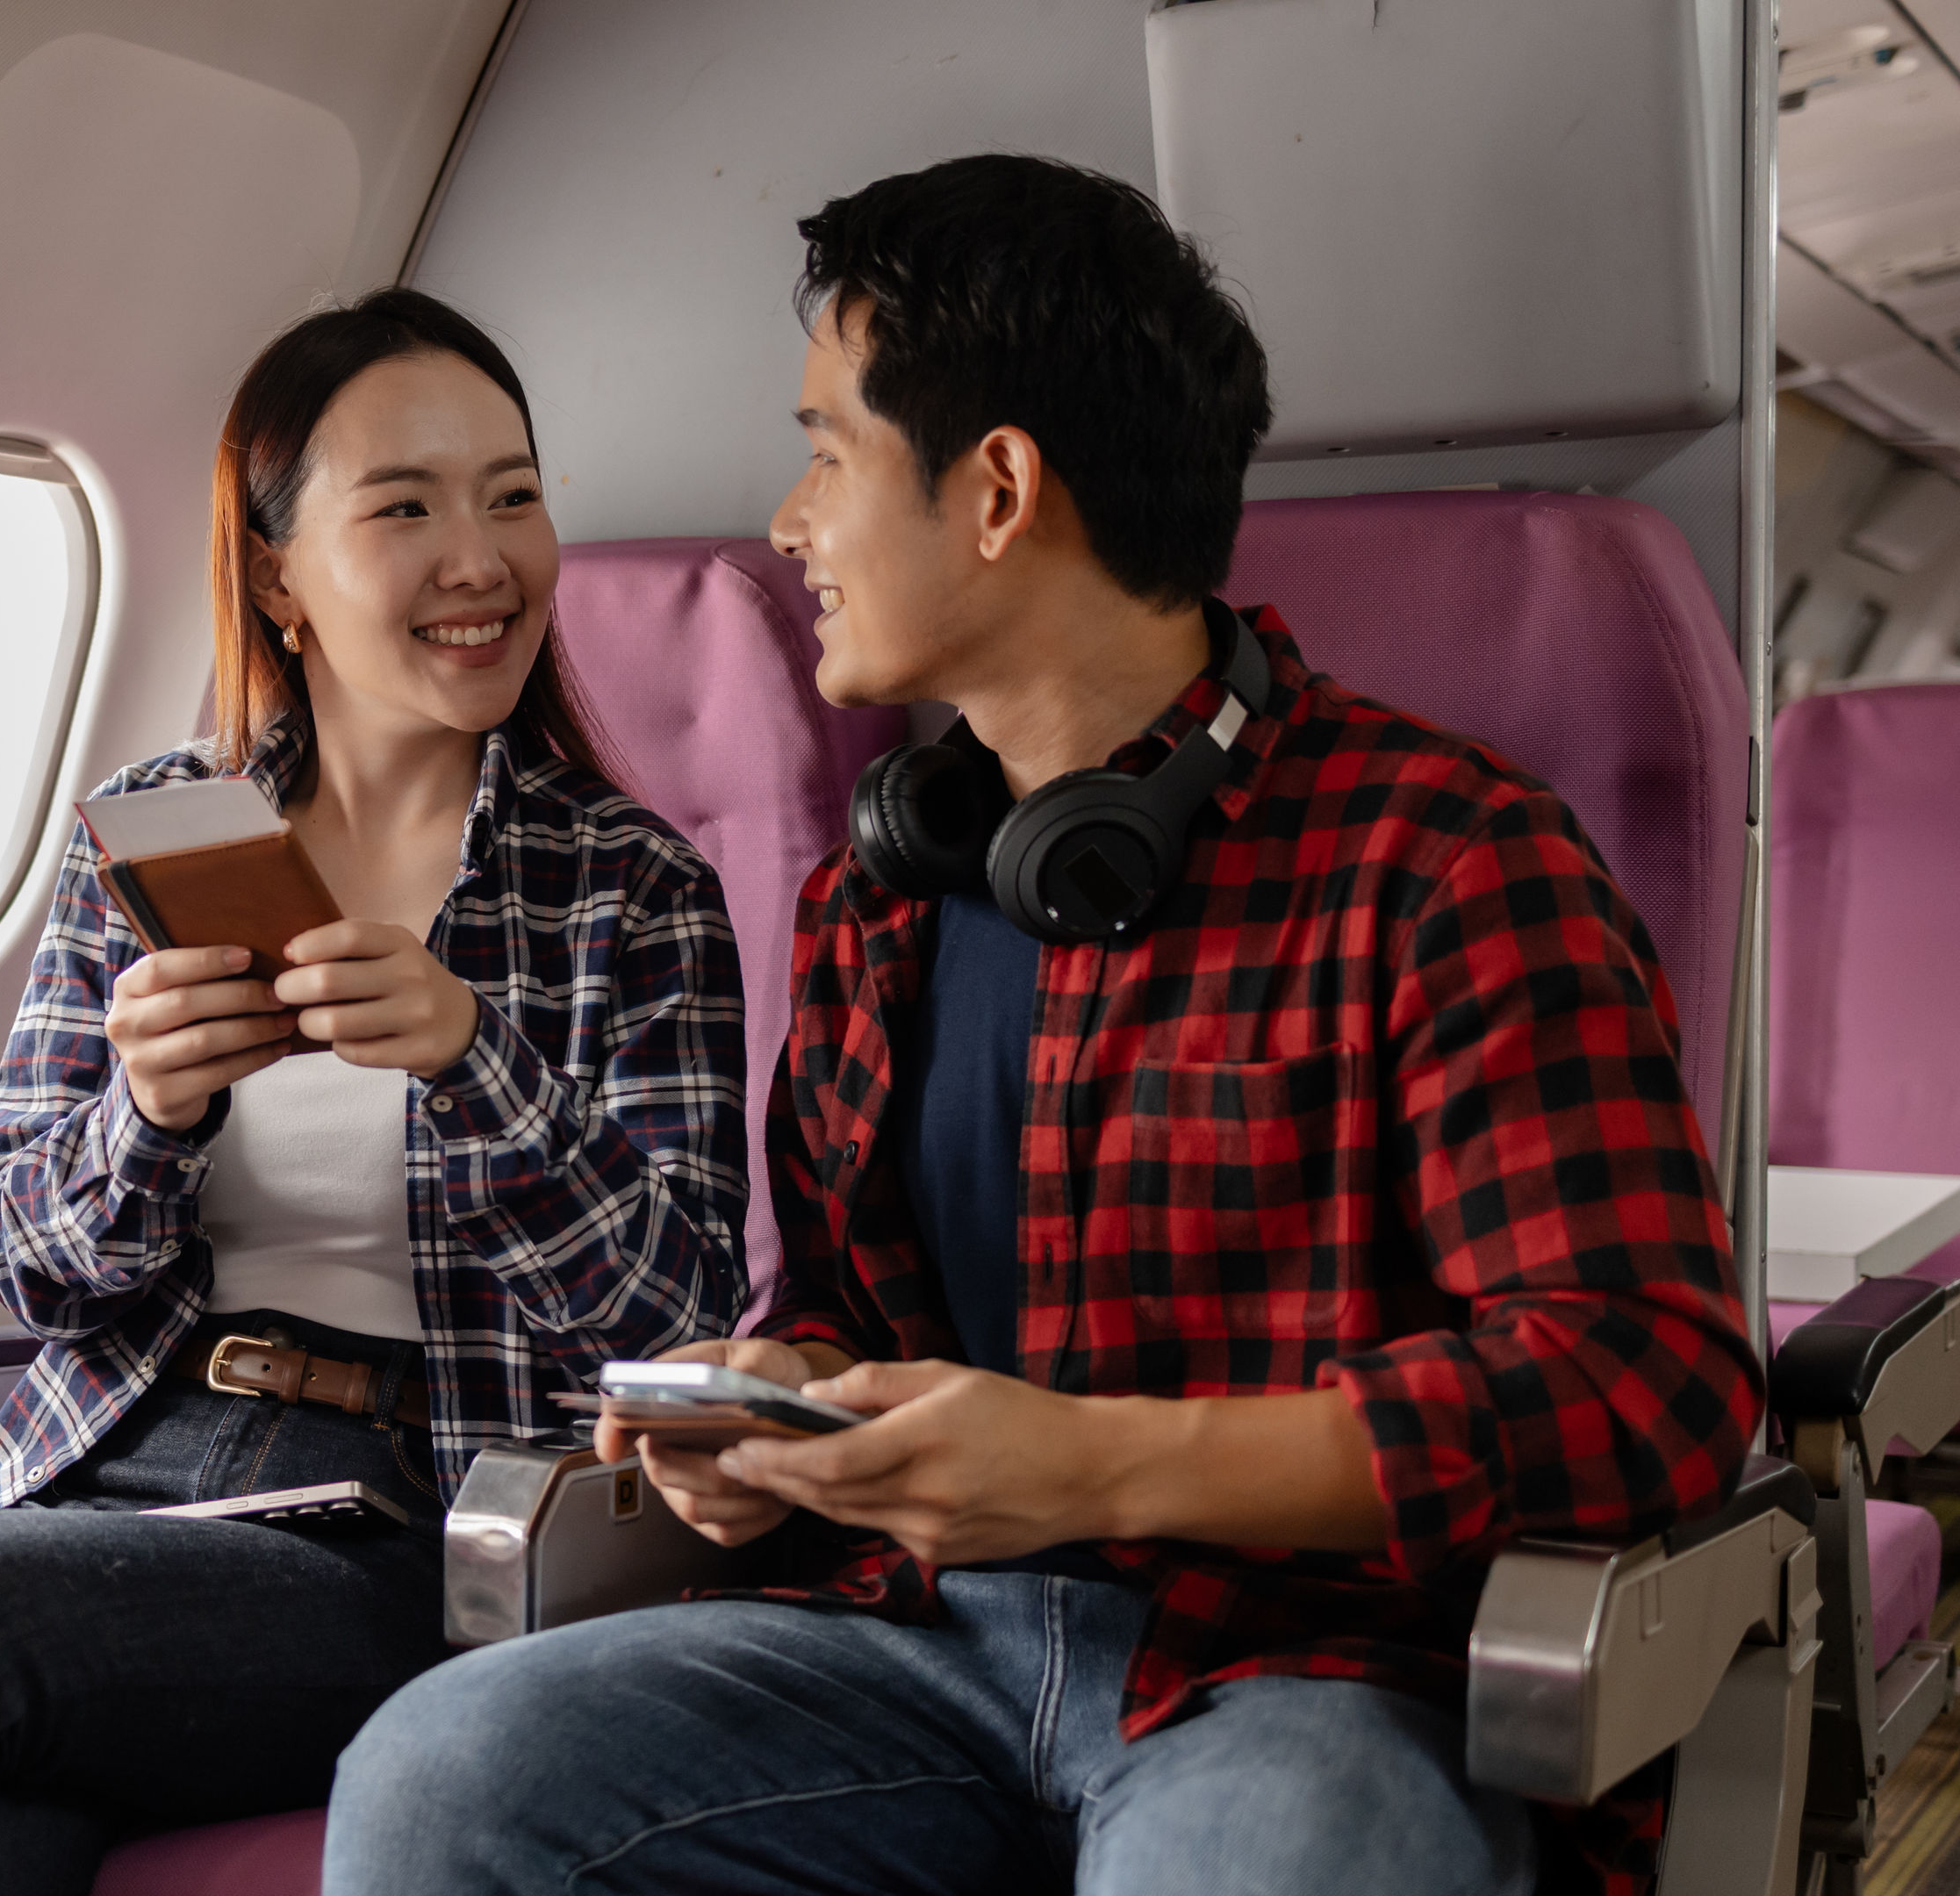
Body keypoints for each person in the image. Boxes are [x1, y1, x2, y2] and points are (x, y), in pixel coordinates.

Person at [324, 156, 1760, 1896]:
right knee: (437, 1777)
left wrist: (1097, 1465)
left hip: (1298, 1677)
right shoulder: (882, 899)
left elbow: (1644, 1383)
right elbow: (852, 1319)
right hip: (919, 1648)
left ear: (995, 489)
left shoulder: (1443, 860)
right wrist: (786, 1413)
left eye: (826, 451)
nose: (790, 523)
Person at [0, 288, 748, 1896]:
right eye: (408, 507)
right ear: (279, 575)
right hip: (115, 1454)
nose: (481, 558)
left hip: (415, 1522)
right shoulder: (163, 831)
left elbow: (681, 1320)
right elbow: (28, 1255)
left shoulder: (631, 890)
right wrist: (146, 1119)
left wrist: (473, 1059)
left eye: (514, 495)